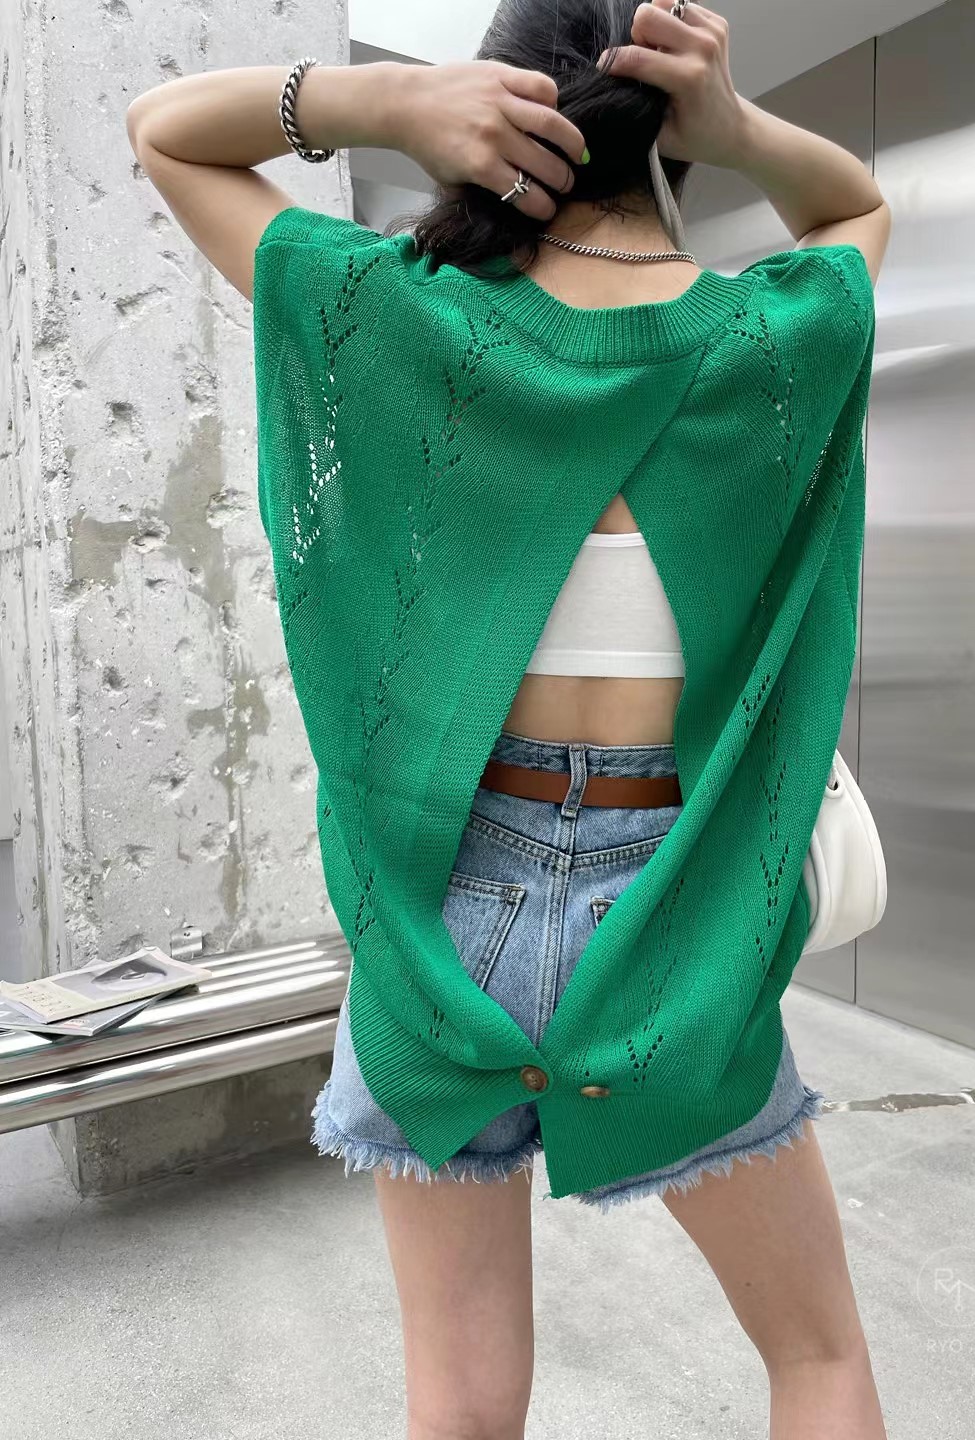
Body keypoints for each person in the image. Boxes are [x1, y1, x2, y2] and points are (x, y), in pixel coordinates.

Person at [127, 2, 891, 1436]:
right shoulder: (778, 339)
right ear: (669, 131)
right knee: (818, 1360)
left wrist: (376, 109)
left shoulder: (398, 318)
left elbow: (165, 133)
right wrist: (735, 130)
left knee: (462, 1412)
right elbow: (853, 206)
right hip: (676, 915)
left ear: (494, 102)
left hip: (444, 924)